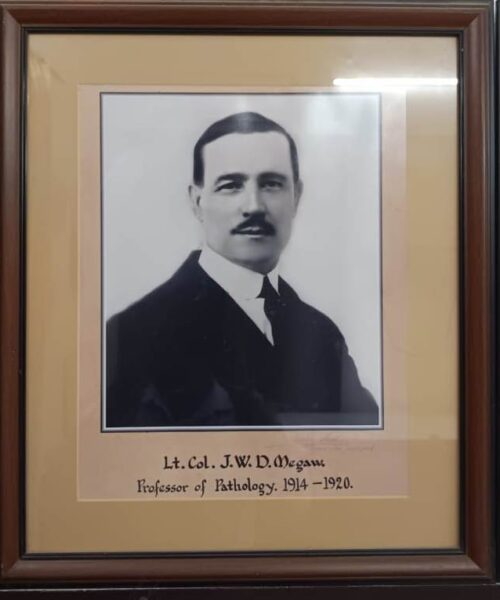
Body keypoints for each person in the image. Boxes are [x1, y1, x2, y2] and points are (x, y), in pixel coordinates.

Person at [106, 111, 379, 428]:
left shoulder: (321, 332)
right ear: (197, 202)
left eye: (272, 184)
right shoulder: (135, 335)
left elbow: (368, 442)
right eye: (231, 185)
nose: (254, 206)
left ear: (296, 196)